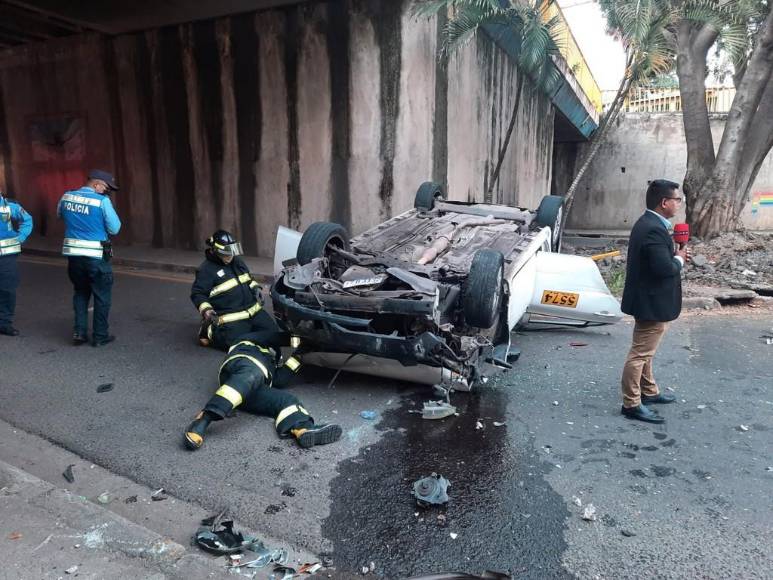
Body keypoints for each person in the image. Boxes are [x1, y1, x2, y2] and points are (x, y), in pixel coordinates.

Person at [183, 333, 341, 450]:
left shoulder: (269, 365)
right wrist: (307, 338)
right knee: (251, 375)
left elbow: (280, 380)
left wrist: (300, 356)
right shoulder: (251, 342)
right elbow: (281, 337)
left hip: (246, 389)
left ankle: (302, 428)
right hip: (240, 367)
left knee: (287, 401)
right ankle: (205, 418)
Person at [620, 179, 691, 423]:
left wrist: (675, 254)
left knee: (646, 350)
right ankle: (631, 403)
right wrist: (680, 258)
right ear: (664, 202)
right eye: (677, 200)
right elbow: (663, 269)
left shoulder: (650, 223)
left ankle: (649, 392)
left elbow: (653, 262)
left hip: (648, 299)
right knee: (640, 354)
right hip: (651, 302)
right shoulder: (653, 228)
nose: (679, 204)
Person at [57, 170, 121, 346]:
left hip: (74, 256)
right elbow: (115, 228)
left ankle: (79, 332)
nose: (106, 191)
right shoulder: (102, 202)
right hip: (96, 256)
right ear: (96, 184)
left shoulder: (66, 196)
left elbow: (60, 215)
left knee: (80, 292)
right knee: (102, 296)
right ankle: (100, 337)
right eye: (106, 188)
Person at [0, 191, 33, 336]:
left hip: (6, 256)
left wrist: (21, 237)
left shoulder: (8, 205)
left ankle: (4, 323)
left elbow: (27, 219)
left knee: (7, 289)